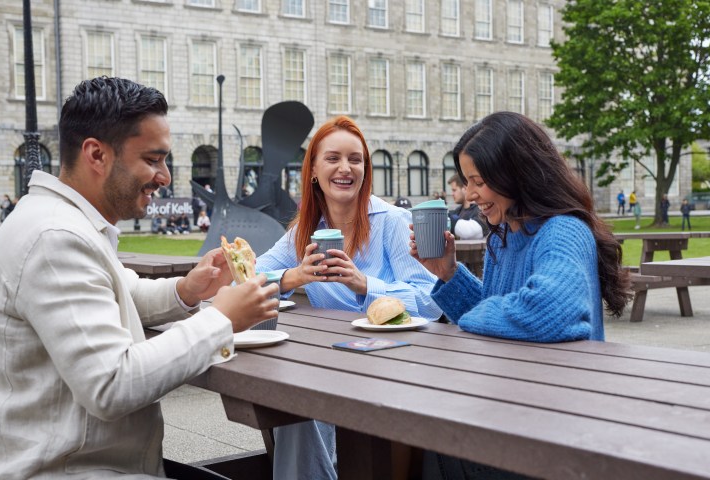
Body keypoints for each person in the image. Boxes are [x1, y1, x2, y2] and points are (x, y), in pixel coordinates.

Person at [0, 77, 279, 479]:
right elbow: (111, 385)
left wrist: (188, 289)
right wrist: (222, 320)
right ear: (97, 155)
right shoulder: (54, 238)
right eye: (153, 159)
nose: (164, 176)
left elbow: (123, 290)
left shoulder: (62, 222)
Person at [410, 112, 632, 478]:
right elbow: (502, 317)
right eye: (467, 182)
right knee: (420, 432)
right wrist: (447, 273)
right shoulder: (507, 237)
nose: (471, 195)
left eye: (479, 181)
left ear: (516, 173)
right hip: (515, 405)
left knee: (429, 438)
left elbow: (548, 311)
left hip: (556, 426)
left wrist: (467, 319)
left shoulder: (562, 232)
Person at [255, 115, 443, 480]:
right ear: (312, 170)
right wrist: (294, 275)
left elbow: (432, 301)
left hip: (397, 362)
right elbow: (245, 282)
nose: (345, 168)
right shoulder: (305, 232)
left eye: (355, 159)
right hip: (334, 360)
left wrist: (365, 285)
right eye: (333, 158)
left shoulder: (392, 222)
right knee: (292, 403)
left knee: (306, 397)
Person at [446, 173, 488, 239]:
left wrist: (447, 219)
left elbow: (473, 232)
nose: (452, 194)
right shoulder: (457, 211)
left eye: (454, 190)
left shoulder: (480, 210)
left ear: (465, 188)